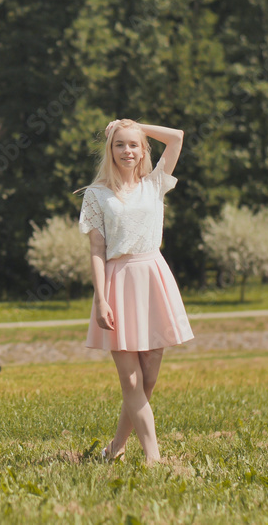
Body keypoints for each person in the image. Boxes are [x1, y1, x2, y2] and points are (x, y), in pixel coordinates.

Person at [74, 118, 196, 465]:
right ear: (110, 150)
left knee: (149, 378)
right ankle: (153, 458)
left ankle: (115, 448)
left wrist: (134, 125)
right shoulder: (97, 194)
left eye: (133, 145)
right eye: (119, 144)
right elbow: (97, 250)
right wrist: (101, 297)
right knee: (130, 379)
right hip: (117, 281)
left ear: (143, 150)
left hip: (153, 277)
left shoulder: (155, 184)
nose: (127, 151)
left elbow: (177, 138)